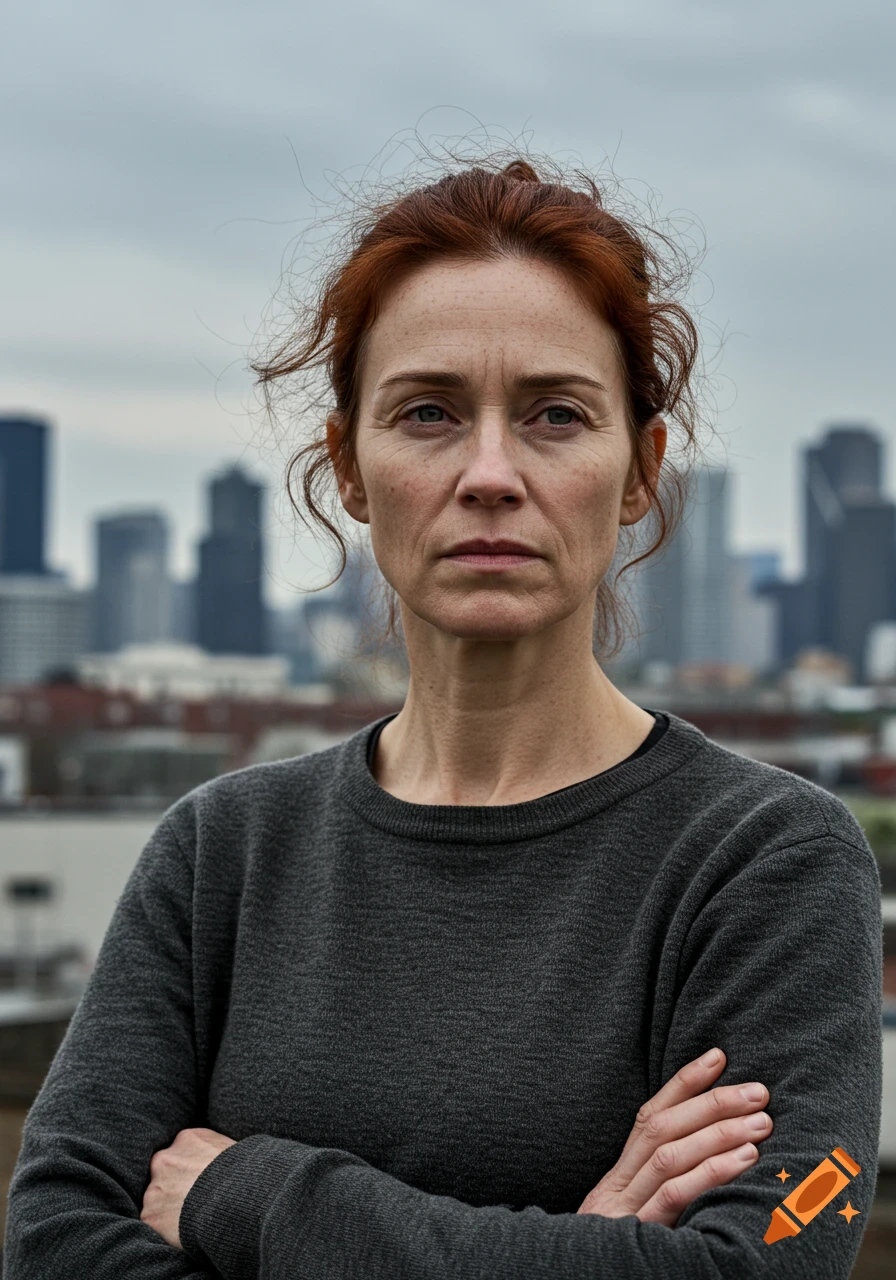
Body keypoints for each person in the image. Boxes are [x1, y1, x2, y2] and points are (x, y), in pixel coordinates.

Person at [4, 155, 882, 1279]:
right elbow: (57, 1241)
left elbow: (755, 1266)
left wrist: (256, 1197)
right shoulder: (224, 850)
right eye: (427, 413)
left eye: (556, 414)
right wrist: (583, 1254)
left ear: (638, 470)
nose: (489, 473)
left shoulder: (764, 859)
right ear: (348, 466)